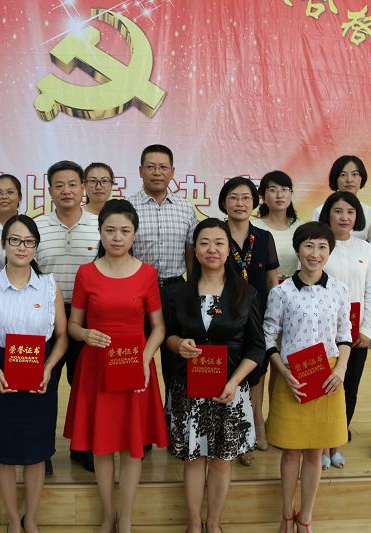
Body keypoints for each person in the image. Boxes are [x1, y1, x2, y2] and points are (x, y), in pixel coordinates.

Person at [64, 199, 169, 533]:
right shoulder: (86, 273)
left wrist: (145, 358)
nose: (117, 237)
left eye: (124, 231)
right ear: (100, 232)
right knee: (103, 445)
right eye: (110, 230)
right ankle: (108, 513)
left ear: (134, 234)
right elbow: (73, 326)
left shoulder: (147, 274)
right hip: (97, 368)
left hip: (135, 368)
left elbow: (159, 328)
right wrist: (85, 334)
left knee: (132, 448)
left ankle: (126, 517)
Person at [165, 218, 264, 533]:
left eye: (219, 243)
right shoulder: (180, 293)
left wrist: (234, 382)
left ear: (229, 249)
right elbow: (168, 336)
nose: (212, 249)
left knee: (222, 460)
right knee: (193, 459)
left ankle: (214, 523)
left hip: (229, 391)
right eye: (204, 243)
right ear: (195, 250)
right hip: (189, 389)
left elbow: (257, 347)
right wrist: (179, 344)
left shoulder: (245, 293)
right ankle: (194, 524)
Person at [0, 214, 68, 533]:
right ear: (4, 244)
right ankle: (14, 521)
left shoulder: (49, 286)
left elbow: (62, 336)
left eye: (29, 241)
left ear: (36, 247)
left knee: (37, 453)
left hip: (40, 375)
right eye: (15, 240)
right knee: (4, 453)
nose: (22, 247)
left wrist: (49, 368)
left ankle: (32, 519)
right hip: (1, 374)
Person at [264, 222, 351, 533]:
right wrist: (283, 372)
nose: (315, 253)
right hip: (293, 378)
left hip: (328, 377)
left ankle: (306, 517)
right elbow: (268, 336)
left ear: (330, 251)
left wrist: (340, 370)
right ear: (298, 250)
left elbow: (345, 334)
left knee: (315, 452)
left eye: (322, 247)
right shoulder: (281, 292)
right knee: (290, 452)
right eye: (309, 246)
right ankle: (287, 515)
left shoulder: (339, 290)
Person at [35, 160, 100, 473]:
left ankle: (82, 447)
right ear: (49, 190)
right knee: (43, 384)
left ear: (83, 188)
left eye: (73, 184)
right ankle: (42, 450)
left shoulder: (99, 226)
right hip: (46, 316)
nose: (66, 190)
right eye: (59, 185)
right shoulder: (37, 227)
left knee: (85, 386)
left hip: (86, 318)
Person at [128, 144, 198, 394]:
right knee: (135, 354)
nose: (157, 172)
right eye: (151, 167)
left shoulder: (185, 208)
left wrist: (193, 292)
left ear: (172, 171)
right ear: (140, 171)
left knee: (176, 357)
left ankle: (172, 412)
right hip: (136, 291)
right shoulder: (127, 207)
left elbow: (191, 256)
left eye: (163, 167)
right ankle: (137, 412)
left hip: (175, 290)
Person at [218, 176, 279, 463]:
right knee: (228, 373)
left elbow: (271, 281)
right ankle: (231, 432)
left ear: (255, 202)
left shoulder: (264, 238)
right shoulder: (216, 234)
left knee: (256, 372)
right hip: (224, 318)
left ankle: (256, 424)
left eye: (245, 197)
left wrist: (274, 318)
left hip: (257, 317)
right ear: (224, 202)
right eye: (233, 197)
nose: (240, 203)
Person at [318, 191, 371, 469]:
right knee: (321, 387)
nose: (344, 217)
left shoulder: (364, 249)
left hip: (355, 333)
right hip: (321, 332)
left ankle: (337, 441)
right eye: (338, 211)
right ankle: (320, 445)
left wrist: (367, 329)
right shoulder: (318, 245)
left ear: (357, 217)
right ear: (327, 214)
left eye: (350, 212)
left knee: (349, 387)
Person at [312, 155, 371, 241]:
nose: (349, 180)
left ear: (361, 178)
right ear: (335, 179)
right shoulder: (320, 211)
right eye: (343, 175)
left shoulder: (370, 213)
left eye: (355, 174)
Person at [253, 171, 303, 280]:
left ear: (291, 194)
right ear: (263, 197)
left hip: (295, 287)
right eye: (273, 190)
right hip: (263, 286)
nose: (279, 195)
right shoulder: (254, 228)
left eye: (284, 189)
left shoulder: (300, 227)